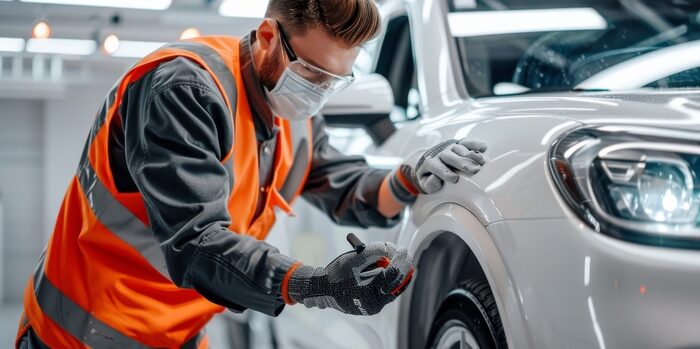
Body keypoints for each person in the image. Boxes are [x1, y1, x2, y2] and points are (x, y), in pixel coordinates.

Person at [15, 0, 487, 347]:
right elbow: (196, 244)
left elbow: (343, 187)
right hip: (81, 333)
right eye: (313, 74)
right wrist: (317, 283)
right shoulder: (184, 88)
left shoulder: (294, 115)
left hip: (178, 335)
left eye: (335, 81)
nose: (320, 92)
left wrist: (410, 177)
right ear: (267, 37)